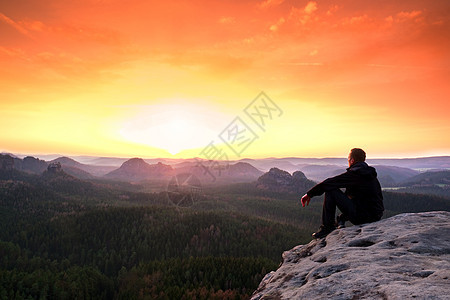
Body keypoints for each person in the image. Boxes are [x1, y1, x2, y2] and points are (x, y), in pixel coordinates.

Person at [300, 148, 384, 239]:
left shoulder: (355, 174)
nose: (348, 161)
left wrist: (309, 194)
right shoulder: (370, 174)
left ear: (352, 160)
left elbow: (329, 183)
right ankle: (340, 220)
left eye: (348, 159)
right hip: (376, 216)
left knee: (330, 190)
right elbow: (369, 200)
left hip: (363, 218)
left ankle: (327, 228)